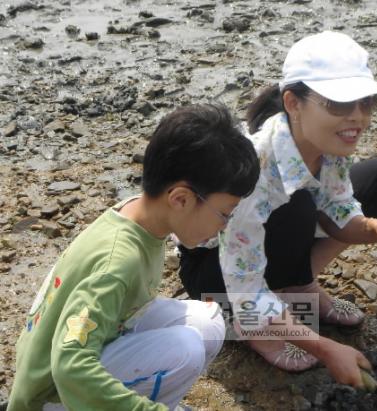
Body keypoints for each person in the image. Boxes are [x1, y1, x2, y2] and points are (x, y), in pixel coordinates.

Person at [178, 31, 377, 388]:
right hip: (218, 278)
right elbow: (244, 288)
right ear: (293, 103)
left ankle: (298, 286)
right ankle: (255, 329)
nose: (357, 117)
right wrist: (325, 348)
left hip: (269, 247)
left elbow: (339, 208)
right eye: (339, 104)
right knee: (296, 204)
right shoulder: (254, 171)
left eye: (367, 102)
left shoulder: (327, 146)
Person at [7, 104, 260, 411]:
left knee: (208, 321)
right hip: (49, 395)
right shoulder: (117, 263)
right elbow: (70, 366)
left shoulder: (138, 214)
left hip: (92, 341)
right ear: (180, 199)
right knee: (187, 348)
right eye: (224, 214)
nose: (225, 226)